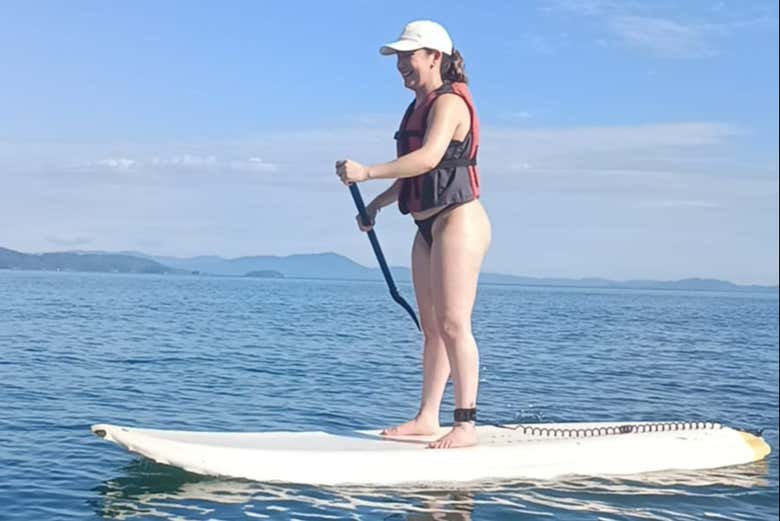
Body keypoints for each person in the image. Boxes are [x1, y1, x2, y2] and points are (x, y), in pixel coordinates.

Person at [336, 20, 491, 449]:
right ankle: (427, 417)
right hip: (425, 226)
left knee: (455, 323)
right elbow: (413, 178)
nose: (402, 64)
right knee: (431, 329)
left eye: (409, 55)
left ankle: (465, 425)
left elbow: (428, 159)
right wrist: (375, 205)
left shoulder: (449, 104)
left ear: (434, 57)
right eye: (399, 57)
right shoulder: (416, 107)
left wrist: (366, 172)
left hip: (458, 219)